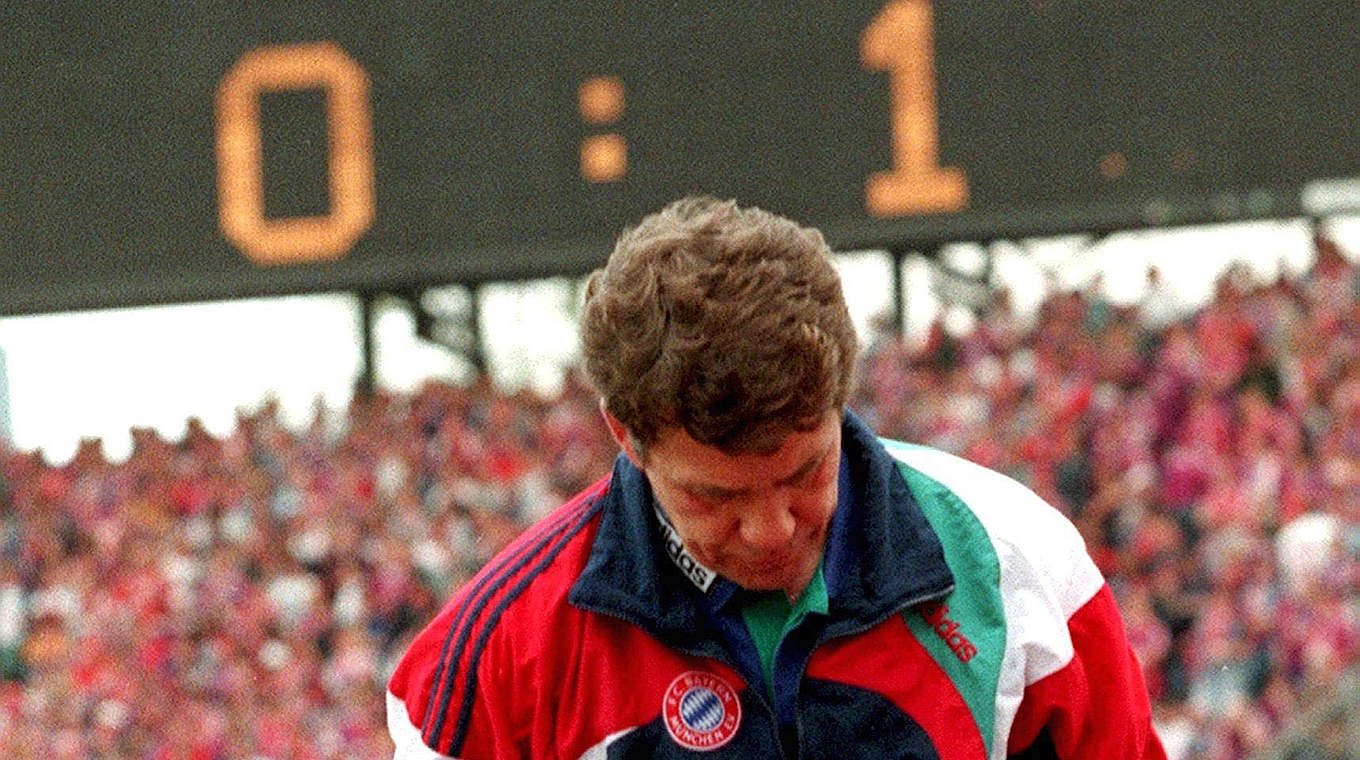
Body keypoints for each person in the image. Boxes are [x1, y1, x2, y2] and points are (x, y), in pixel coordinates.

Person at [386, 197, 1166, 759]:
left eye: (803, 473)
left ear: (839, 403)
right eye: (714, 497)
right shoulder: (495, 660)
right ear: (626, 436)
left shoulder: (1017, 564)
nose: (771, 528)